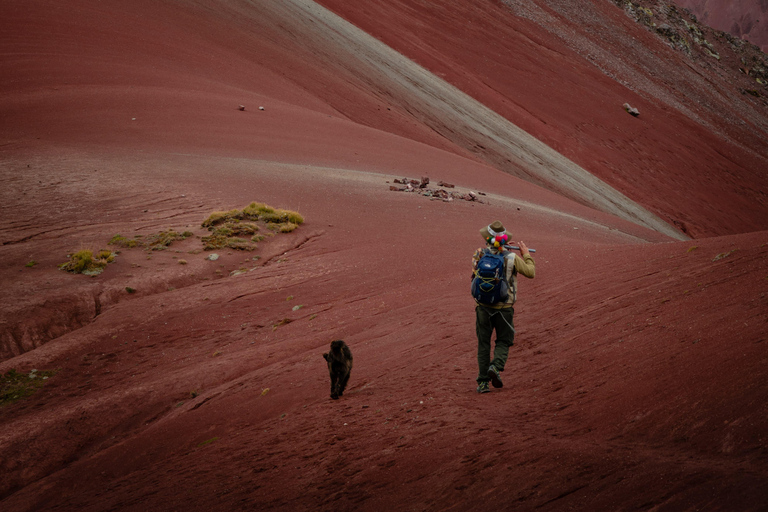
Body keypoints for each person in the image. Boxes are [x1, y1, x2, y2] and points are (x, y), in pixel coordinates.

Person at [472, 221, 535, 393]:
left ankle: (483, 383)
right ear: (504, 239)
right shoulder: (512, 257)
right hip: (504, 307)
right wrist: (526, 254)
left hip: (482, 307)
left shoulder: (479, 254)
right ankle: (496, 366)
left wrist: (500, 248)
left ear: (487, 238)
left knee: (484, 343)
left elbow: (474, 272)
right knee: (504, 340)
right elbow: (531, 272)